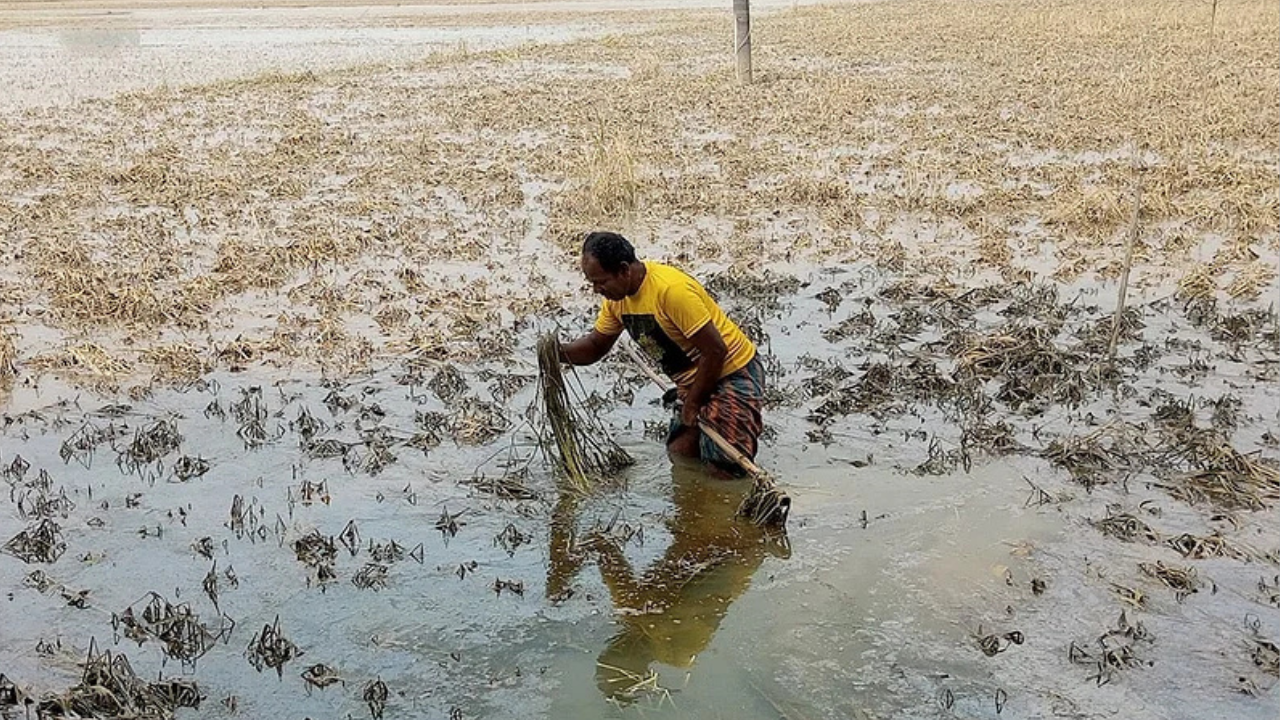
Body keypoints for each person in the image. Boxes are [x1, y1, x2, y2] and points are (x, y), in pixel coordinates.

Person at [559, 231, 766, 472]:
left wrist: (692, 403)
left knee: (725, 468)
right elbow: (595, 347)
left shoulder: (671, 291)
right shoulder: (616, 301)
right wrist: (556, 352)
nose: (596, 289)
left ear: (624, 270)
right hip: (694, 382)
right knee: (682, 455)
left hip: (731, 373)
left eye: (601, 281)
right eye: (592, 282)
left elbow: (715, 351)